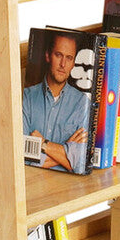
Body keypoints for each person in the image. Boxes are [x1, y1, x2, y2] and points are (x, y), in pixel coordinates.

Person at [22, 31, 91, 174]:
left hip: (69, 188)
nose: (63, 64)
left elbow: (82, 164)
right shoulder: (26, 98)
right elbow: (25, 158)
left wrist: (44, 145)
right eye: (58, 55)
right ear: (48, 56)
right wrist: (68, 153)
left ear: (73, 64)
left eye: (69, 58)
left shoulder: (82, 103)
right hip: (31, 182)